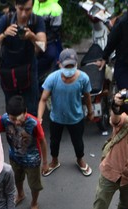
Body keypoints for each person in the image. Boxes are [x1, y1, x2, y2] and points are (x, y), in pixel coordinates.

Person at [38, 48, 93, 178]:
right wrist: (39, 118)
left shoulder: (83, 78)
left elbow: (87, 97)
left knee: (78, 142)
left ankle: (80, 160)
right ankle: (54, 161)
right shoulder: (52, 78)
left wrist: (90, 112)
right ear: (59, 64)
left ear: (76, 64)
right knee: (54, 142)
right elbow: (43, 99)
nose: (69, 69)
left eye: (71, 66)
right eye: (66, 66)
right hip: (56, 118)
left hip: (76, 118)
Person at [0, 0, 46, 117]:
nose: (24, 14)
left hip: (29, 68)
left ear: (33, 6)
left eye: (28, 9)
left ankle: (30, 133)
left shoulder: (37, 20)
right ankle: (13, 133)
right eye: (21, 9)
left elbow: (43, 47)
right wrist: (4, 34)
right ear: (15, 6)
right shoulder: (6, 20)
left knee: (31, 109)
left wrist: (32, 36)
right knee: (12, 109)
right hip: (9, 69)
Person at [0, 95, 46, 209]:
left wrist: (45, 162)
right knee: (17, 178)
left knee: (34, 185)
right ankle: (21, 194)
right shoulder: (5, 119)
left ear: (26, 112)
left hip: (32, 160)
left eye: (19, 118)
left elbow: (43, 141)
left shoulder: (34, 123)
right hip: (14, 157)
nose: (16, 122)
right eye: (13, 118)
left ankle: (34, 204)